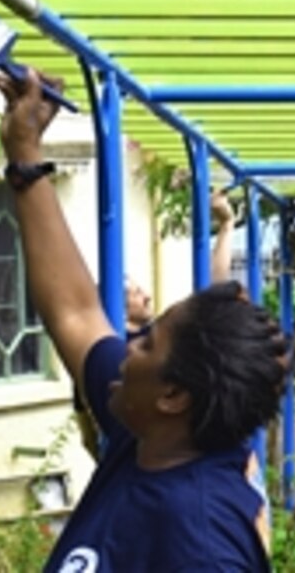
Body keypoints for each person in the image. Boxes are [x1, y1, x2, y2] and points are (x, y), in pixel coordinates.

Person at [0, 68, 289, 572]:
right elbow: (75, 311)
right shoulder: (152, 434)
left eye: (148, 343)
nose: (127, 346)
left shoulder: (200, 541)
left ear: (173, 396)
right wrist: (25, 154)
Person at [74, 192, 239, 459]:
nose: (147, 295)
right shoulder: (133, 349)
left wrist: (226, 227)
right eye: (135, 294)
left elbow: (212, 293)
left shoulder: (154, 338)